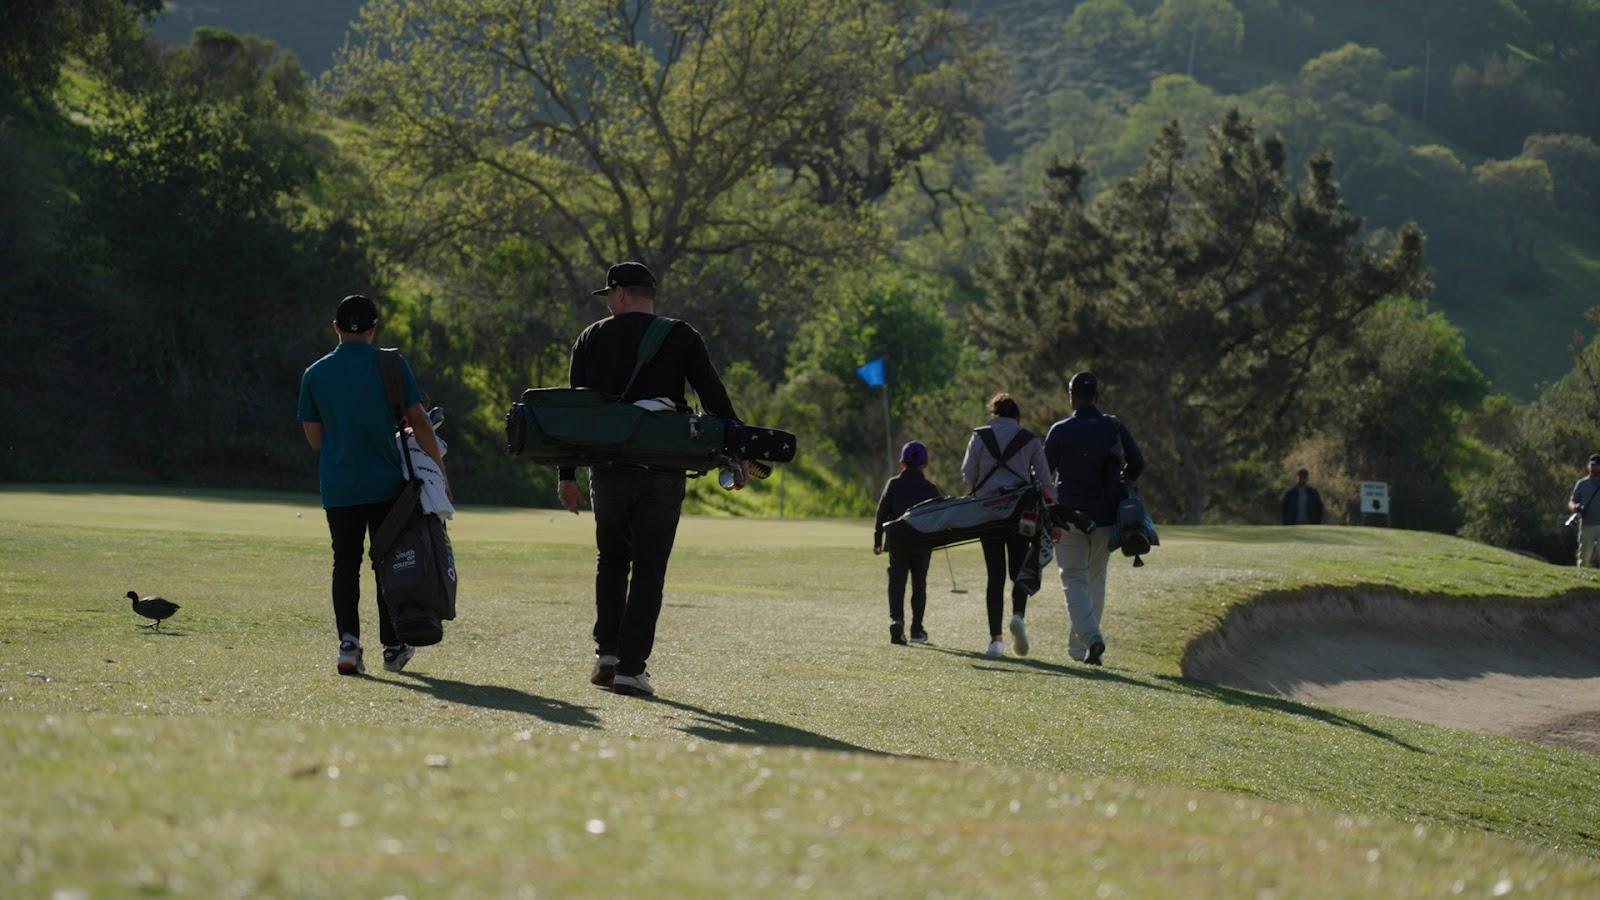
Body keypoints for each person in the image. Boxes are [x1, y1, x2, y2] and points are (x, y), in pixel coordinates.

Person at [558, 261, 743, 698]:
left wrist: (566, 474)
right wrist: (737, 449)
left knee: (612, 559)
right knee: (649, 568)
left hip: (609, 468)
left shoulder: (591, 337)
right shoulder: (681, 335)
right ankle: (631, 668)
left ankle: (606, 653)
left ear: (619, 294)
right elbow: (713, 396)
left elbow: (572, 414)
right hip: (664, 466)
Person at [297, 294, 448, 676]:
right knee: (388, 564)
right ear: (373, 328)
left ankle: (349, 645)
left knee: (344, 564)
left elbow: (315, 440)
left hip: (339, 486)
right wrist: (441, 471)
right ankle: (393, 645)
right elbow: (419, 419)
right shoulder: (392, 364)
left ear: (335, 328)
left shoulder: (314, 373)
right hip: (387, 487)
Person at [1043, 372, 1144, 666]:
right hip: (1107, 514)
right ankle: (1082, 649)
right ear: (1097, 395)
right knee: (1095, 580)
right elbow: (1137, 461)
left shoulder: (1060, 430)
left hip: (1070, 514)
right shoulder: (1113, 426)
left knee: (1073, 579)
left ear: (1071, 395)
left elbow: (1045, 475)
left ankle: (1091, 639)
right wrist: (1124, 482)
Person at [961, 392, 1058, 659]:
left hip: (988, 514)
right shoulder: (1029, 439)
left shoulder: (980, 436)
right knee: (1019, 570)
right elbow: (1046, 481)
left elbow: (968, 477)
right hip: (1021, 513)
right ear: (1016, 416)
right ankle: (1018, 615)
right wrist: (1054, 509)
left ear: (994, 414)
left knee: (995, 576)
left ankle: (995, 641)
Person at [874, 441, 944, 646]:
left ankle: (897, 620)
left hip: (897, 541)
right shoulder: (931, 488)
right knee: (919, 585)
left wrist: (877, 540)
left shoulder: (893, 484)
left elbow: (881, 512)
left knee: (896, 583)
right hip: (922, 543)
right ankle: (916, 629)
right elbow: (940, 518)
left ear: (902, 462)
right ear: (925, 463)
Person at [1569, 454, 1600, 567]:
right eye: (1592, 465)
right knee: (1584, 557)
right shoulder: (1582, 483)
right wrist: (1575, 507)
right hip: (1587, 525)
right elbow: (1572, 501)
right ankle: (1582, 577)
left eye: (1596, 465)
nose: (1593, 467)